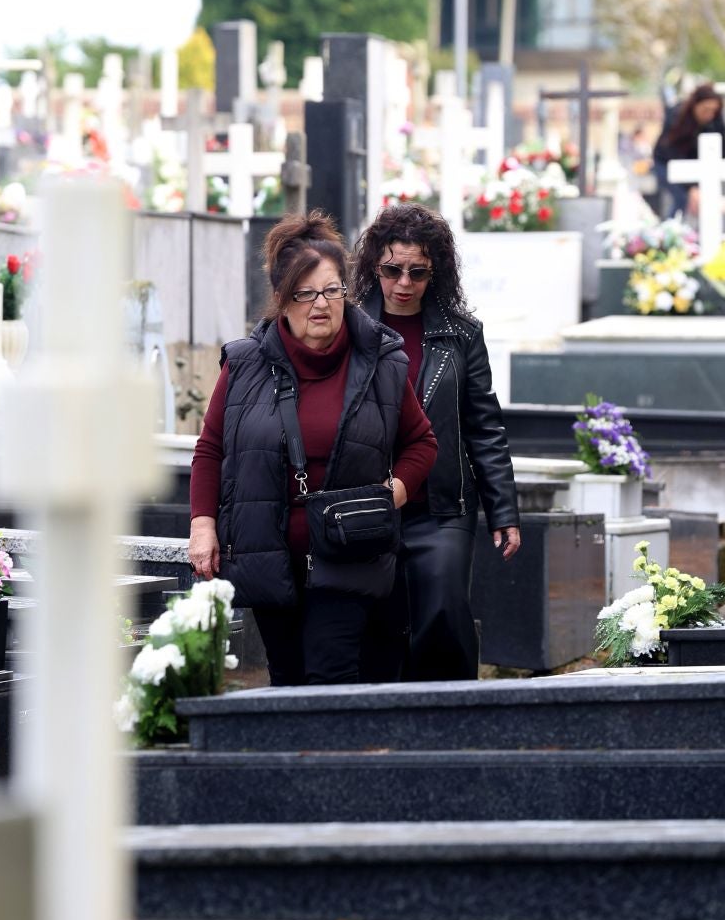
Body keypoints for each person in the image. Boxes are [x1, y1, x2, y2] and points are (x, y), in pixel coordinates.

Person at [188, 210, 438, 686]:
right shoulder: (244, 364)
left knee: (330, 671)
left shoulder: (381, 360)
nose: (320, 304)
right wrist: (203, 526)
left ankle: (332, 761)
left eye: (331, 290)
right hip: (268, 552)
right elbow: (210, 449)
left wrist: (390, 496)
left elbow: (421, 442)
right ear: (283, 301)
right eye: (305, 293)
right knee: (286, 676)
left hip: (350, 555)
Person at [352, 203, 520, 682]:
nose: (403, 282)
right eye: (391, 269)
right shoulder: (348, 329)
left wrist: (503, 511)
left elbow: (484, 426)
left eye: (417, 271)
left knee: (444, 610)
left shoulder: (462, 335)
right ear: (373, 267)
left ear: (436, 272)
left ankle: (451, 715)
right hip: (367, 501)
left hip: (443, 504)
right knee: (377, 621)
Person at [652, 83, 725, 219]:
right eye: (705, 109)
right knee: (682, 199)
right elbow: (671, 151)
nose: (709, 114)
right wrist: (691, 187)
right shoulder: (676, 116)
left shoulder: (715, 122)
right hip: (667, 163)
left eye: (713, 110)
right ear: (695, 105)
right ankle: (671, 234)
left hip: (697, 168)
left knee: (706, 203)